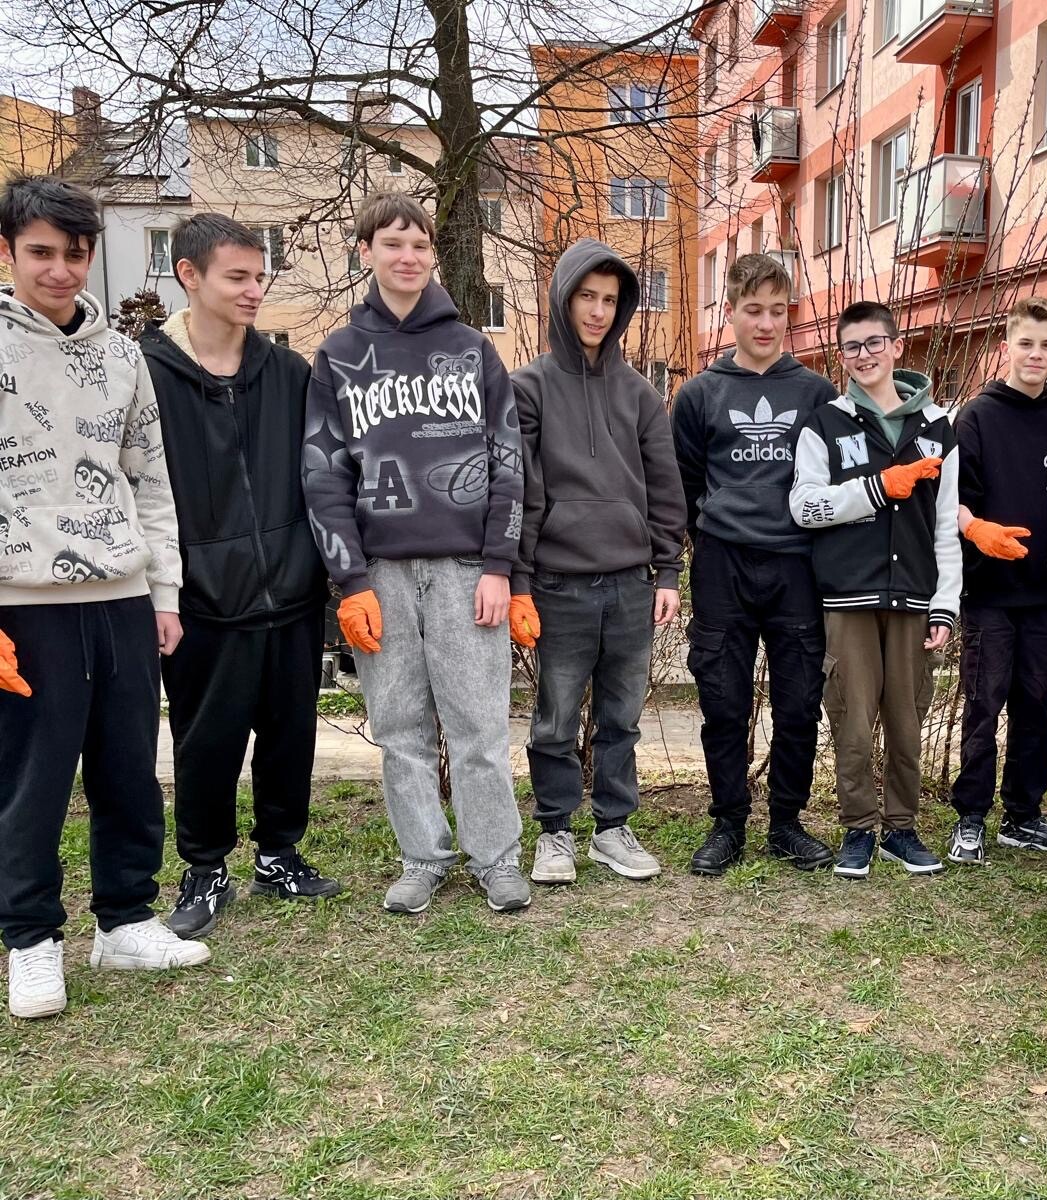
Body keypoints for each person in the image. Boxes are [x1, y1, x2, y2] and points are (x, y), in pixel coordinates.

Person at [0, 175, 209, 1021]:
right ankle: (30, 939)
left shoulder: (123, 355)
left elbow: (150, 479)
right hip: (22, 603)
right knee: (30, 780)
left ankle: (124, 920)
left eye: (75, 253)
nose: (60, 269)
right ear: (8, 252)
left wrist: (165, 592)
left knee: (128, 769)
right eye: (41, 252)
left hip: (121, 594)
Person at [303, 193, 530, 916]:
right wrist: (350, 581)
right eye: (392, 243)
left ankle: (497, 859)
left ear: (433, 255)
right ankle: (422, 859)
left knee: (479, 726)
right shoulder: (339, 356)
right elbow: (323, 475)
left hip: (467, 571)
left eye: (420, 244)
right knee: (399, 728)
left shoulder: (472, 350)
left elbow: (508, 464)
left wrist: (499, 567)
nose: (407, 257)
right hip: (381, 576)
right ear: (365, 252)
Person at [142, 214, 339, 940]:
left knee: (291, 736)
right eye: (238, 277)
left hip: (292, 594)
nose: (255, 289)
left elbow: (323, 476)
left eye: (260, 276)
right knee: (207, 743)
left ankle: (280, 855)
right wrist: (166, 587)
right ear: (189, 275)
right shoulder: (146, 376)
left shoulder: (289, 374)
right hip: (203, 603)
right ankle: (205, 868)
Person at [511, 239, 687, 886]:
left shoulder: (638, 393)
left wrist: (667, 571)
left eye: (610, 300)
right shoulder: (527, 387)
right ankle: (555, 832)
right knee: (556, 719)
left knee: (621, 719)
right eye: (586, 296)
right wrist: (520, 582)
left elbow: (665, 487)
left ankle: (613, 829)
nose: (597, 311)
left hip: (631, 585)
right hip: (558, 585)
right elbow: (520, 492)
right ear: (563, 298)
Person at [673, 254, 837, 876]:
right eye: (752, 311)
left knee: (798, 703)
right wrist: (711, 538)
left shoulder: (816, 393)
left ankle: (787, 822)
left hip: (798, 565)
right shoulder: (699, 394)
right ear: (731, 313)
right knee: (723, 702)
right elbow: (686, 485)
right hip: (724, 565)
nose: (765, 324)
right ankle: (728, 823)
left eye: (776, 311)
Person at [790, 300, 960, 878]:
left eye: (874, 343)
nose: (864, 355)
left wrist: (945, 606)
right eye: (852, 347)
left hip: (914, 597)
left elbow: (945, 526)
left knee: (907, 721)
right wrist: (876, 488)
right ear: (841, 356)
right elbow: (804, 507)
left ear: (896, 346)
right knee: (853, 722)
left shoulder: (938, 427)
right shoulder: (825, 424)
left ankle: (901, 829)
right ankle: (859, 828)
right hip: (849, 598)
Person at [947, 296, 1047, 869]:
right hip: (989, 593)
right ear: (1006, 347)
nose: (1035, 354)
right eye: (1025, 343)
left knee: (1036, 706)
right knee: (983, 705)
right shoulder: (977, 416)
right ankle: (971, 818)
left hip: (1045, 590)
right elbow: (952, 500)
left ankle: (1023, 815)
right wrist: (975, 528)